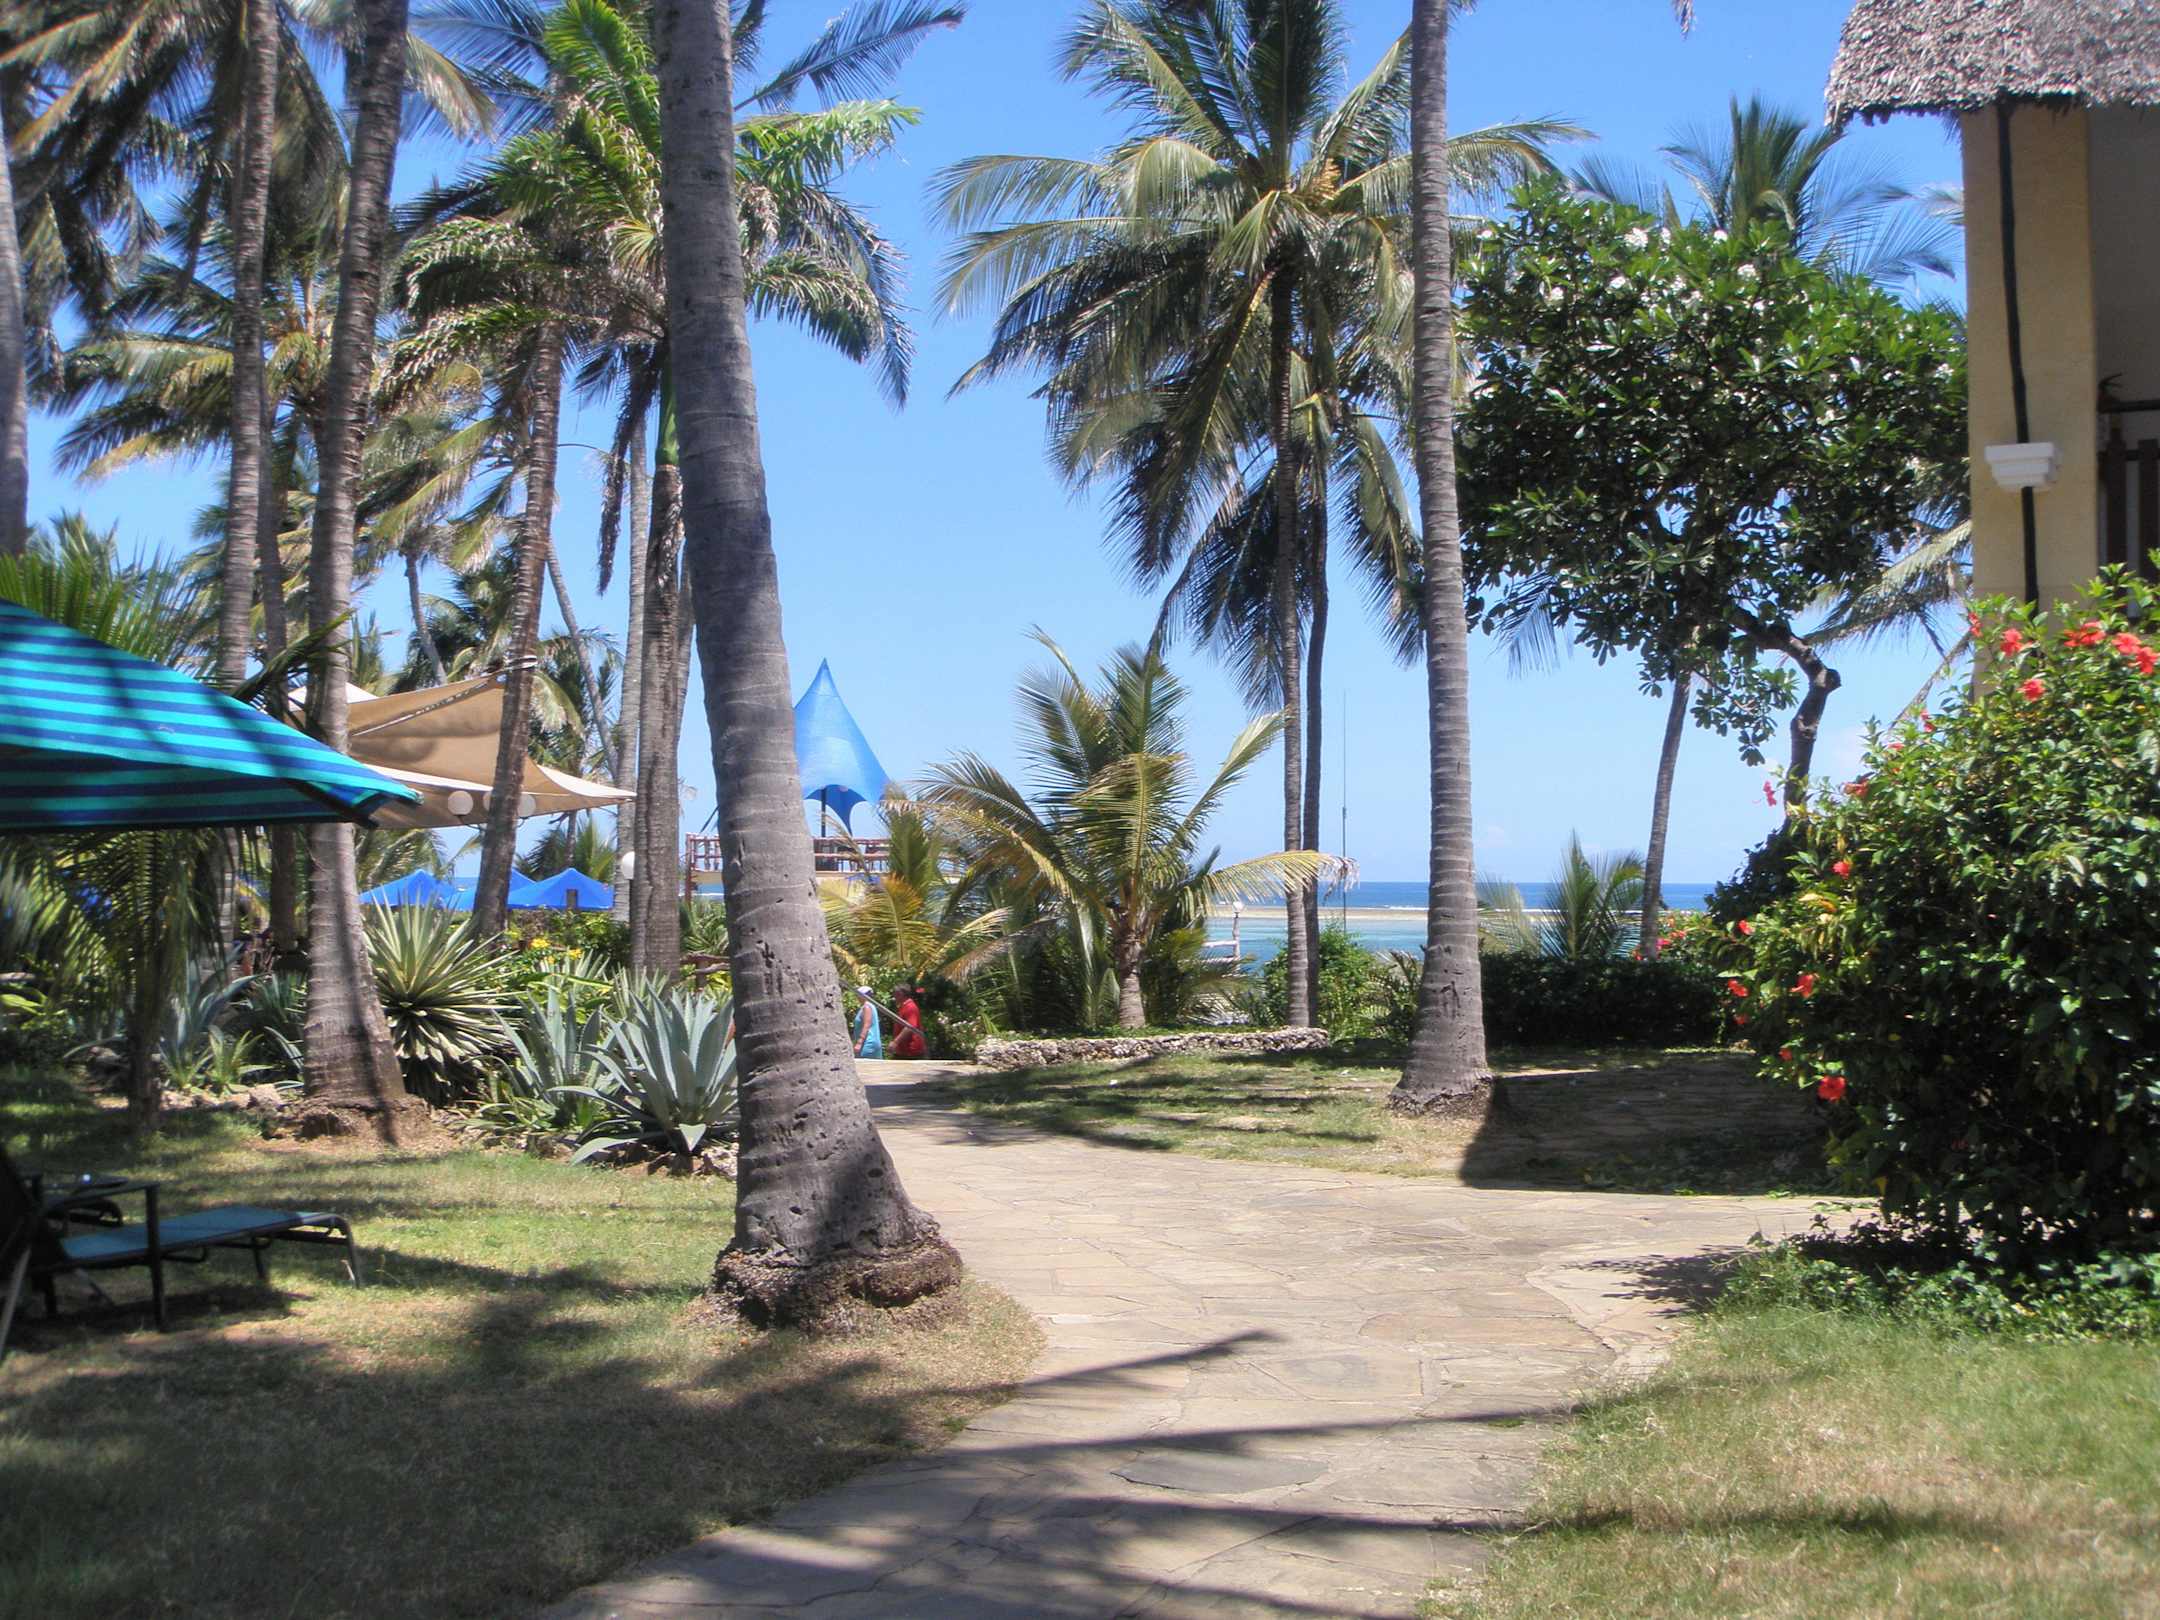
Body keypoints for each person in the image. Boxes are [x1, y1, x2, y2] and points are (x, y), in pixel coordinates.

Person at [890, 983, 926, 1060]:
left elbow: (910, 1026)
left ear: (901, 994)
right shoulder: (903, 1007)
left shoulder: (910, 1007)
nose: (894, 997)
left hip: (911, 1051)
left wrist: (895, 1042)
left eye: (895, 994)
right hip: (903, 1051)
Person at [852, 984, 882, 1059]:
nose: (857, 997)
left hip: (867, 1044)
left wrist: (859, 1042)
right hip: (870, 1043)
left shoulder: (867, 1007)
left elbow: (866, 1025)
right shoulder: (871, 1006)